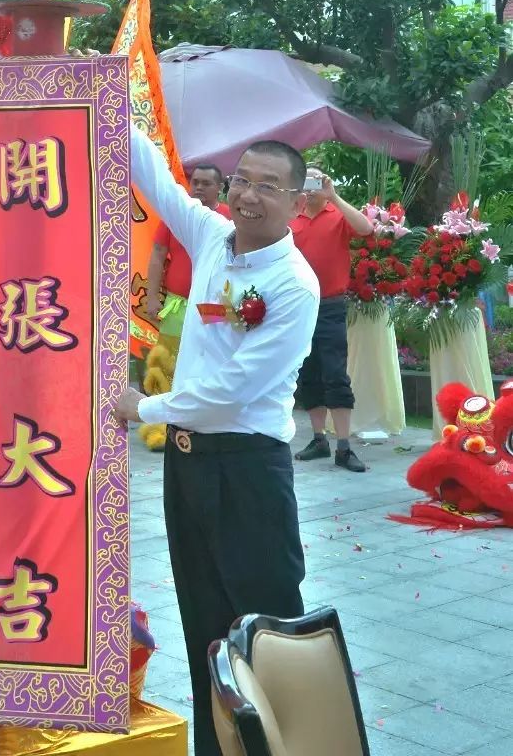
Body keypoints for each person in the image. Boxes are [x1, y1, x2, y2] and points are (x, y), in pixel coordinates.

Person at [118, 128, 319, 756]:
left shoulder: (293, 285)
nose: (249, 195)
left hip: (247, 471)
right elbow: (155, 179)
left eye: (268, 186)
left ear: (297, 202)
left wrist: (142, 406)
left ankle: (286, 745)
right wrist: (103, 90)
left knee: (263, 623)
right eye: (242, 181)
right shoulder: (210, 236)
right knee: (203, 618)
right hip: (189, 467)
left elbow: (232, 390)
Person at [291, 169, 376, 472]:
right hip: (299, 306)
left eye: (317, 181)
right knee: (308, 372)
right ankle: (318, 439)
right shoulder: (292, 218)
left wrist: (334, 196)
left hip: (330, 305)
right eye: (307, 182)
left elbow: (366, 229)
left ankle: (343, 446)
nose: (312, 189)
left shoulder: (337, 214)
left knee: (335, 372)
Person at [140, 166, 231, 450]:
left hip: (215, 306)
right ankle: (157, 427)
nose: (199, 188)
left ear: (220, 188)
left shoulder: (230, 218)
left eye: (206, 183)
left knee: (210, 360)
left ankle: (204, 423)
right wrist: (153, 296)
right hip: (178, 303)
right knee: (165, 362)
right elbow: (157, 255)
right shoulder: (177, 216)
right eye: (195, 182)